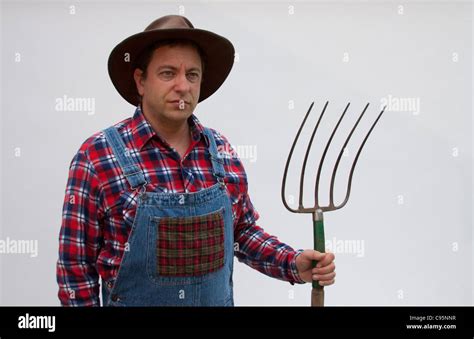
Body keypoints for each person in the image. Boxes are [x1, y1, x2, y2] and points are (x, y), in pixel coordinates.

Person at [56, 14, 336, 306]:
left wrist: (292, 263)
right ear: (141, 80)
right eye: (167, 73)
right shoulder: (98, 156)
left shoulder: (220, 151)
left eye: (192, 74)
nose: (182, 86)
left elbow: (242, 232)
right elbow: (75, 270)